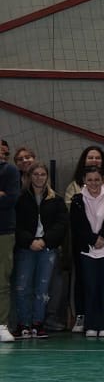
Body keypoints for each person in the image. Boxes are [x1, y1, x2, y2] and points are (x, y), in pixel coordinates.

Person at [69, 165, 104, 337]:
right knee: (91, 287)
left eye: (97, 180)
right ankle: (91, 324)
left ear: (103, 180)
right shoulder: (78, 200)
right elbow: (77, 225)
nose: (93, 183)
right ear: (84, 181)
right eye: (90, 180)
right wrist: (92, 239)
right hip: (88, 250)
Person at [13, 162, 67, 337]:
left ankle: (38, 322)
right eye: (35, 174)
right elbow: (16, 224)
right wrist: (29, 241)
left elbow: (61, 225)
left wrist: (45, 240)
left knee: (42, 288)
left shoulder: (56, 199)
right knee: (23, 286)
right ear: (29, 177)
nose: (39, 177)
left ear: (47, 177)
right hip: (26, 248)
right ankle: (23, 323)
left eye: (42, 174)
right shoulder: (20, 199)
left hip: (47, 248)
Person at [64, 145, 104, 333]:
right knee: (84, 279)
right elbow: (72, 212)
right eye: (90, 157)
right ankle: (82, 316)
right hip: (83, 240)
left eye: (97, 157)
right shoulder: (74, 185)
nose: (94, 160)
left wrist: (103, 236)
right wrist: (90, 236)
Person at [0, 136, 18, 343]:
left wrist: (4, 196)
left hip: (3, 232)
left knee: (2, 280)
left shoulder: (10, 171)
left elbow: (10, 199)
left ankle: (2, 324)